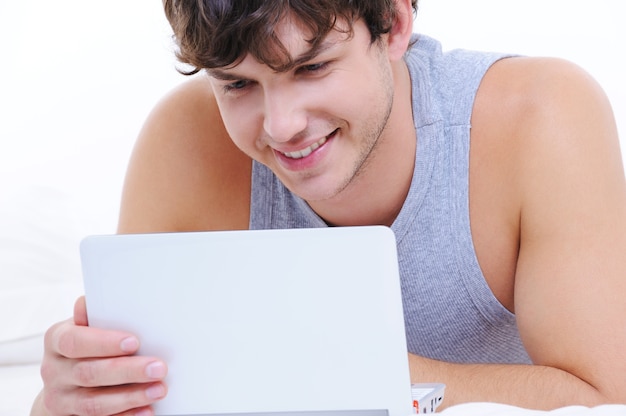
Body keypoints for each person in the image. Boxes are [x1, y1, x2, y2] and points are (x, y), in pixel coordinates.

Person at [32, 0, 626, 415]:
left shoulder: (539, 117)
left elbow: (607, 399)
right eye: (237, 84)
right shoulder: (185, 142)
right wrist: (69, 400)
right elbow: (140, 395)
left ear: (393, 24)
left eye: (311, 67)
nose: (281, 126)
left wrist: (351, 373)